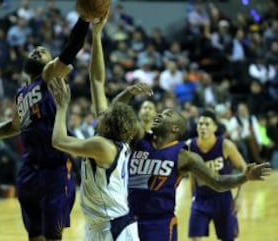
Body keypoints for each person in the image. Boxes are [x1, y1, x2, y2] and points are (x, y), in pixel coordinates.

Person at [0, 16, 90, 241]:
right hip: (28, 169)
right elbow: (13, 126)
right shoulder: (21, 93)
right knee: (34, 235)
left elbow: (73, 46)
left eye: (43, 51)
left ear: (52, 63)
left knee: (52, 236)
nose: (37, 51)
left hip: (53, 168)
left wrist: (84, 18)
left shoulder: (48, 77)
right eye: (34, 50)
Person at [113, 89, 271, 241]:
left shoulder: (184, 156)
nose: (159, 115)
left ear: (174, 128)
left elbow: (217, 182)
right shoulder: (140, 139)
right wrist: (129, 93)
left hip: (159, 222)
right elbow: (116, 112)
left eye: (166, 114)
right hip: (129, 218)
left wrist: (245, 177)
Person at [49, 15, 146, 241]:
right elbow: (97, 81)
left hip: (114, 226)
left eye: (105, 114)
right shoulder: (109, 139)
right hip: (99, 225)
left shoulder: (102, 146)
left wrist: (62, 107)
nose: (100, 112)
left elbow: (59, 141)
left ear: (109, 123)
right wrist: (97, 35)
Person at [187, 110, 247, 241]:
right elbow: (192, 172)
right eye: (200, 123)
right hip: (201, 198)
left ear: (214, 127)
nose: (203, 126)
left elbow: (244, 168)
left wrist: (239, 197)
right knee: (195, 237)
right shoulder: (190, 146)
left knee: (229, 237)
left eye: (207, 124)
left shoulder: (225, 145)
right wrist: (192, 195)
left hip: (223, 198)